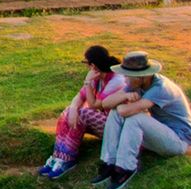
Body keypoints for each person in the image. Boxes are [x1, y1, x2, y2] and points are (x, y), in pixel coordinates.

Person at [95, 51, 191, 189]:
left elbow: (126, 111)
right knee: (115, 112)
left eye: (127, 75)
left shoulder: (160, 88)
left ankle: (126, 167)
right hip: (163, 135)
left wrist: (121, 105)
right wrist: (124, 95)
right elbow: (105, 104)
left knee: (134, 117)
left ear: (141, 77)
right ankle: (109, 162)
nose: (124, 78)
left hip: (179, 141)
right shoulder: (137, 84)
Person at [37, 45, 127, 179]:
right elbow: (79, 97)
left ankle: (68, 159)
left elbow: (94, 105)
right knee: (68, 112)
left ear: (93, 65)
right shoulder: (98, 77)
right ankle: (58, 156)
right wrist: (73, 108)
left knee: (83, 114)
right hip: (104, 120)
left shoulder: (116, 80)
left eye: (87, 64)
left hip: (116, 127)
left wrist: (87, 82)